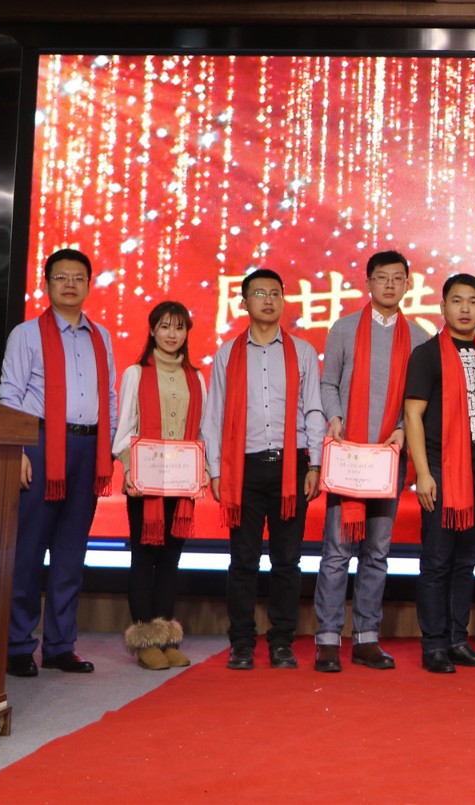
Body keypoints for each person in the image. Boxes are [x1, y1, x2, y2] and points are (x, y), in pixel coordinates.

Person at [0, 247, 117, 677]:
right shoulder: (26, 334)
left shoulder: (100, 336)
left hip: (88, 448)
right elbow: (10, 394)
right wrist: (16, 451)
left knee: (71, 553)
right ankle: (17, 644)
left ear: (88, 285)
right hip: (41, 445)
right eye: (61, 277)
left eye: (78, 277)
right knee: (28, 551)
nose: (70, 284)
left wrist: (109, 449)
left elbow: (109, 396)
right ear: (46, 283)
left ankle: (61, 645)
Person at [203, 268, 325, 671]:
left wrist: (315, 462)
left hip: (292, 467)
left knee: (287, 561)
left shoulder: (303, 351)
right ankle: (241, 642)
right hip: (245, 469)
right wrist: (215, 471)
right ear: (244, 302)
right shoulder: (228, 353)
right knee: (243, 561)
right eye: (259, 293)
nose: (268, 300)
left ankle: (282, 640)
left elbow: (313, 409)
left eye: (275, 293)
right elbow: (214, 414)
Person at [313, 250, 428, 672]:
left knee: (377, 552)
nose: (390, 285)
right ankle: (328, 640)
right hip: (348, 454)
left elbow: (419, 399)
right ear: (368, 283)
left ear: (408, 284)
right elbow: (328, 383)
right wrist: (335, 417)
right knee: (337, 552)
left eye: (398, 278)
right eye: (382, 277)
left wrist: (401, 429)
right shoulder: (344, 329)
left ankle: (366, 638)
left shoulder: (419, 337)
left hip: (387, 457)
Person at [405, 273, 475, 674]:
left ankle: (458, 640)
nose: (465, 309)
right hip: (441, 473)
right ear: (442, 306)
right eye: (457, 301)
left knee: (466, 563)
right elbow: (412, 415)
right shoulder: (427, 354)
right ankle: (434, 645)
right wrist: (423, 474)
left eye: (473, 301)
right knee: (437, 562)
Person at [112, 301, 206, 671]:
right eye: (165, 326)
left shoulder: (196, 378)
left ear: (187, 333)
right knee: (144, 557)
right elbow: (124, 430)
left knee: (170, 560)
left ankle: (166, 637)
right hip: (144, 484)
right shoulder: (136, 373)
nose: (172, 334)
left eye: (179, 327)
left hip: (180, 486)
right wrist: (130, 469)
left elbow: (201, 433)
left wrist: (202, 470)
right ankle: (145, 639)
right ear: (152, 330)